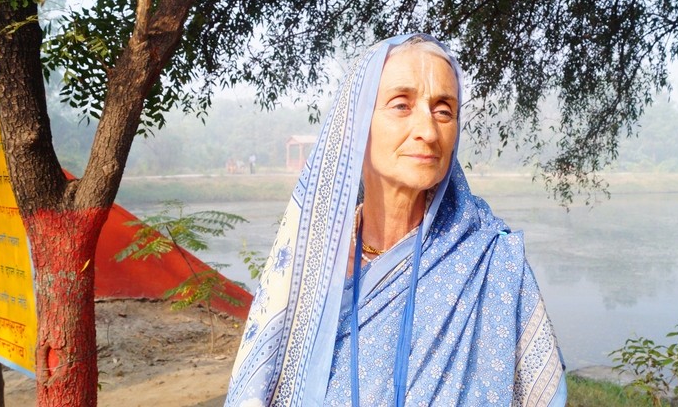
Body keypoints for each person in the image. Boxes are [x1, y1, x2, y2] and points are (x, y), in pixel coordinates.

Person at [224, 34, 566, 406]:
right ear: (356, 125)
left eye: (444, 110)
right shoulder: (307, 267)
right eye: (401, 105)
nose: (429, 131)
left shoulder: (494, 261)